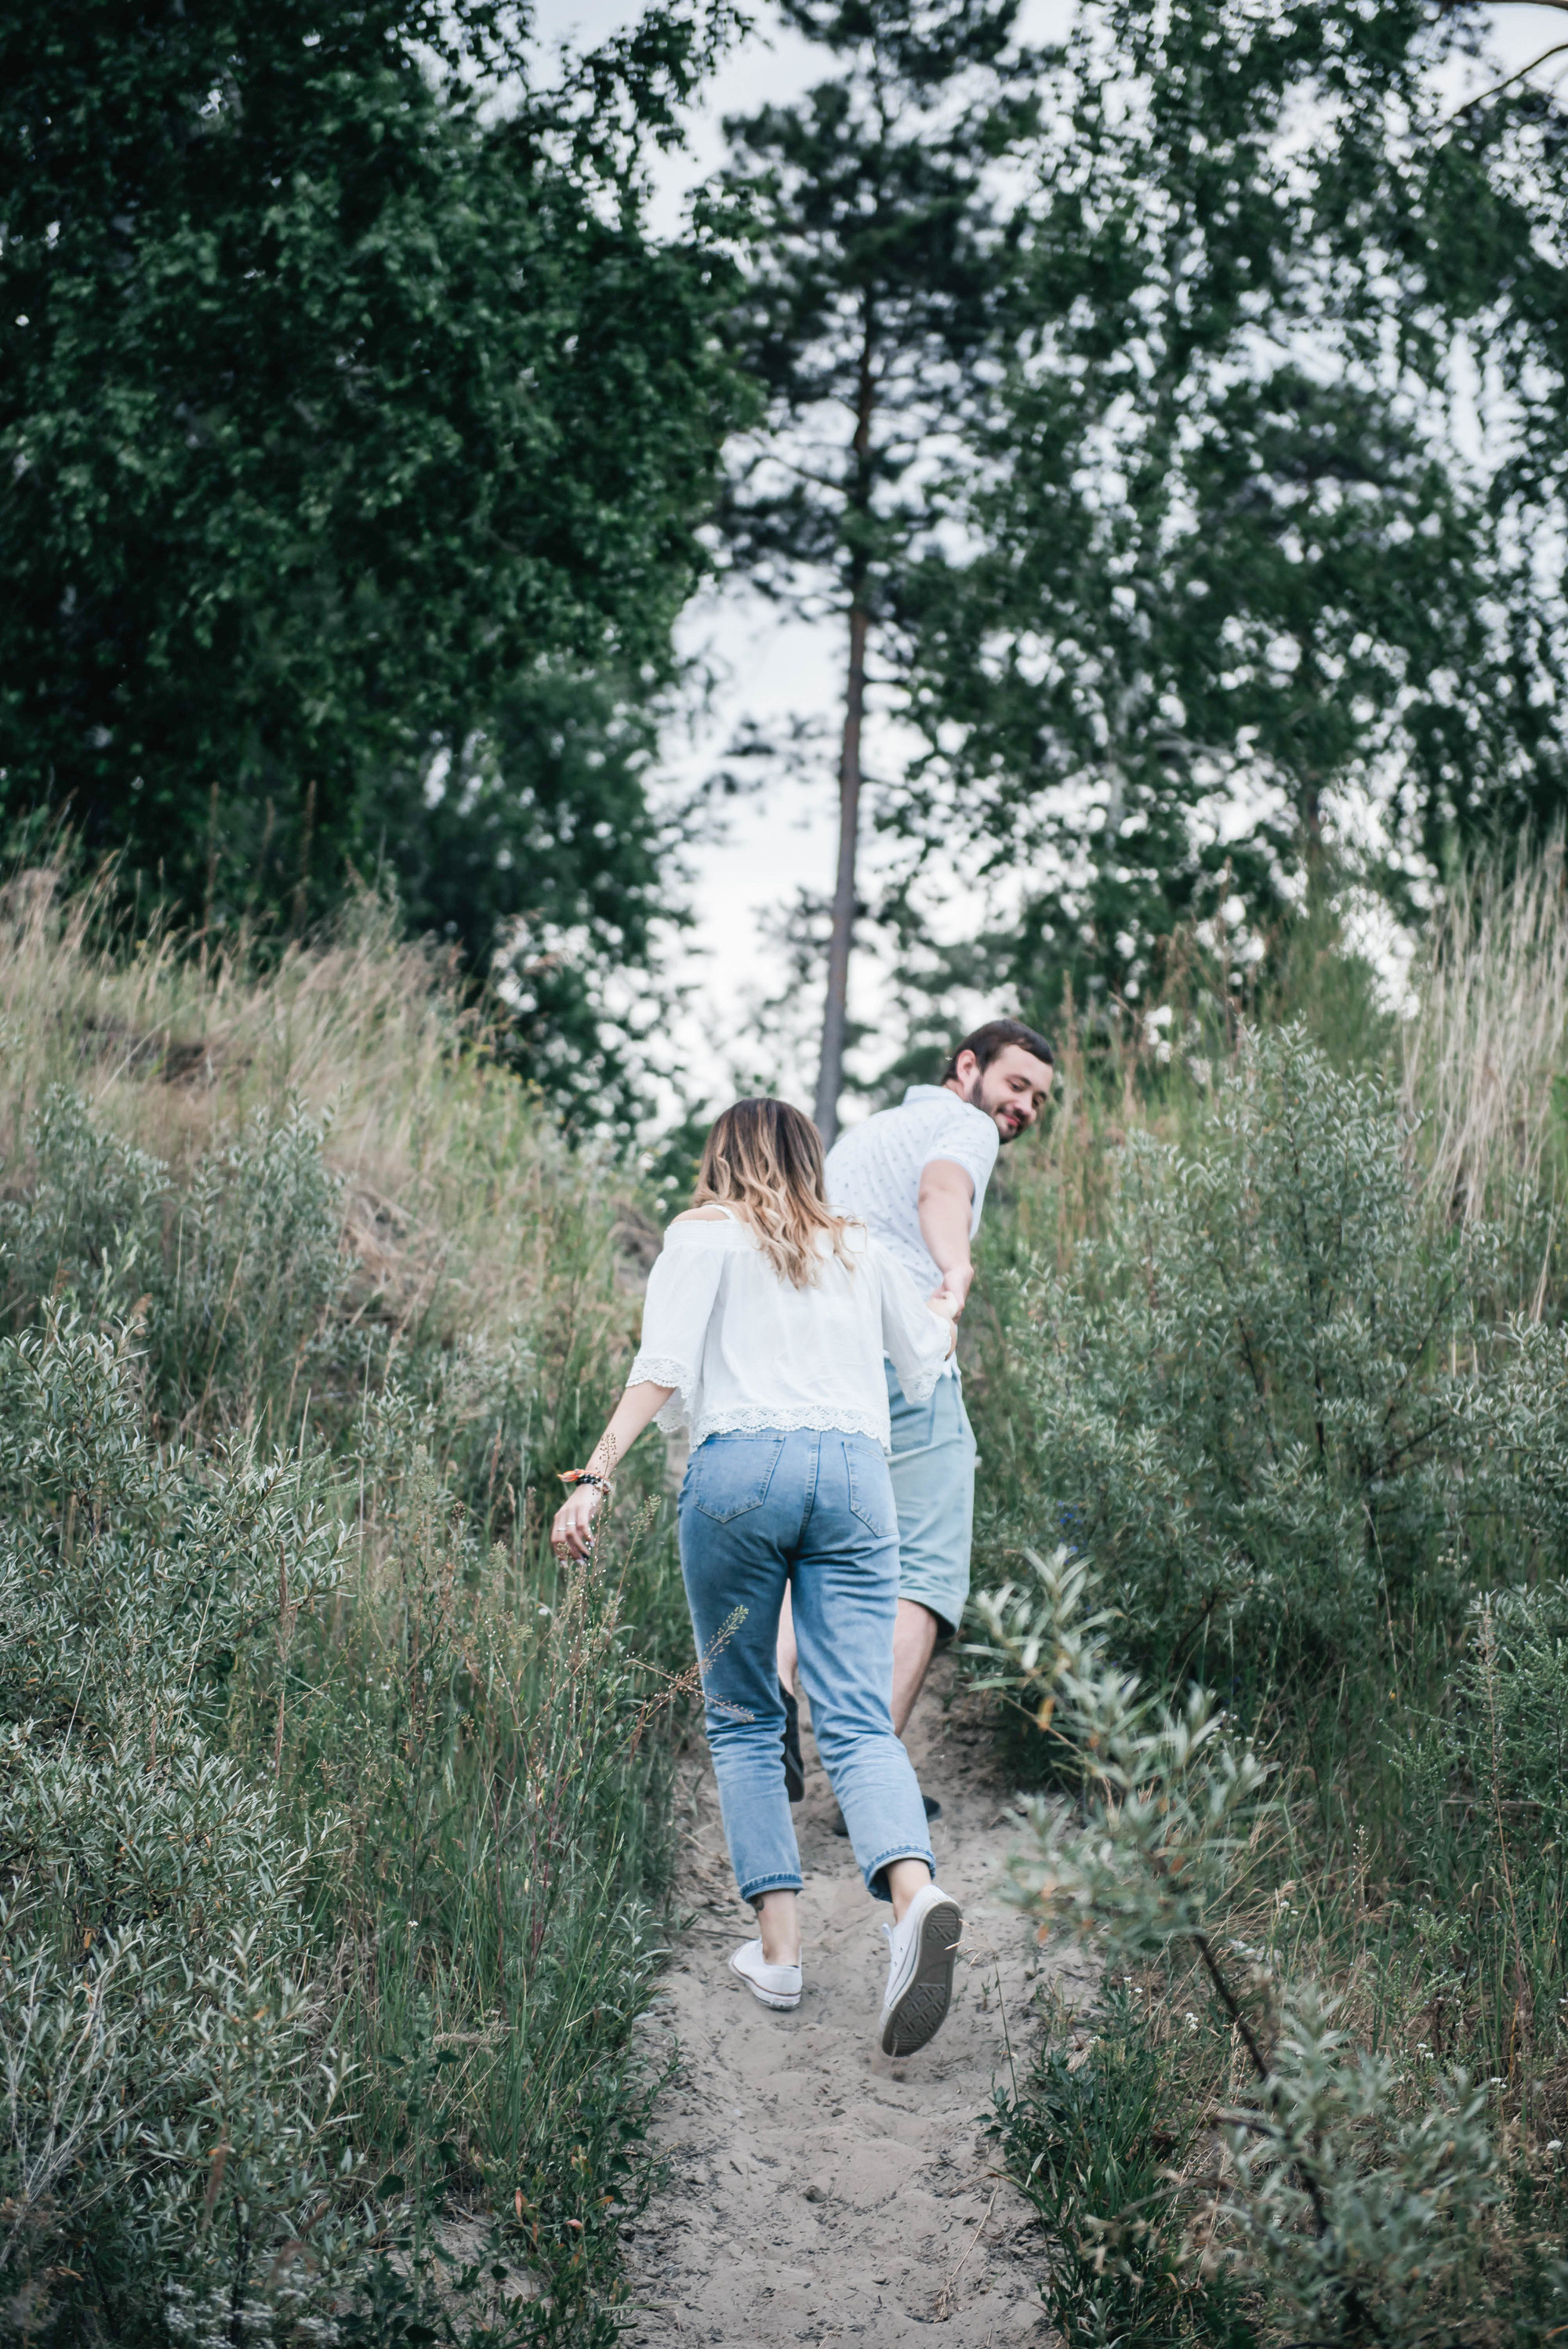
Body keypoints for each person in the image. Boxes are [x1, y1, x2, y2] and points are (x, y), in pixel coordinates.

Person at [550, 1097, 967, 2057]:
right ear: (809, 1159)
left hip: (739, 1471)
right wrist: (947, 1294)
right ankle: (913, 1896)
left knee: (742, 1715)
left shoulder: (702, 1233)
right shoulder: (860, 1245)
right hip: (857, 1479)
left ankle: (777, 1954)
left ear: (722, 1154)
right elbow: (923, 1360)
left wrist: (596, 1475)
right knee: (856, 1715)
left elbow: (660, 1366)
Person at [777, 1019, 1055, 1809]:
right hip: (904, 1357)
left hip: (819, 1353)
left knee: (812, 1545)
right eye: (1014, 1084)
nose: (1024, 1105)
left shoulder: (862, 1137)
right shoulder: (961, 1124)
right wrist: (956, 1270)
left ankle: (771, 1682)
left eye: (1037, 1097)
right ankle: (866, 1784)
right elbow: (942, 1189)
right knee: (926, 1571)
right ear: (967, 1066)